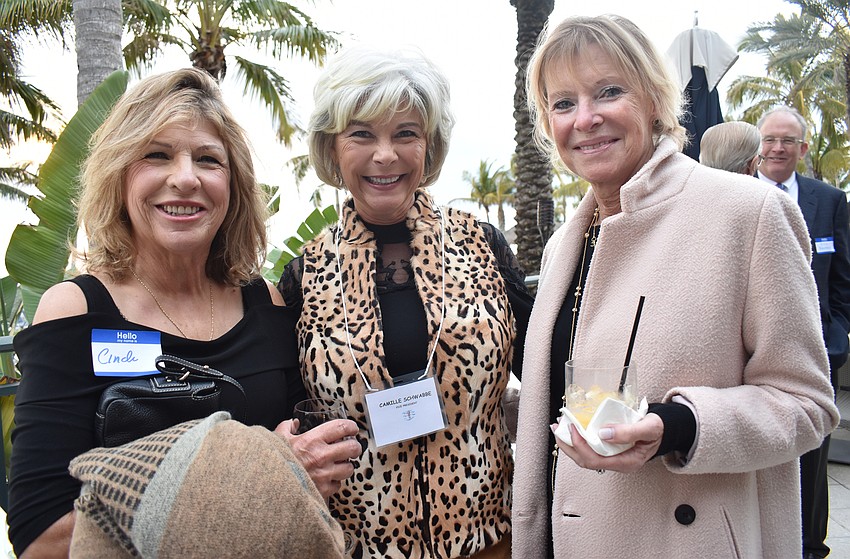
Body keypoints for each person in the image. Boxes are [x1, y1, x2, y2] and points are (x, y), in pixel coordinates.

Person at [511, 14, 839, 558]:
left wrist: (679, 426)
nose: (585, 118)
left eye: (608, 91)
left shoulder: (748, 213)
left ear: (655, 99)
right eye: (562, 103)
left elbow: (807, 404)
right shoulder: (564, 242)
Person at [7, 68, 361, 558]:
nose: (185, 178)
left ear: (232, 184)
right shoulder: (77, 310)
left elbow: (309, 457)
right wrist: (266, 476)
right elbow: (40, 536)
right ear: (119, 174)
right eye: (156, 155)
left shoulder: (266, 302)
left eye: (208, 160)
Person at [277, 46, 533, 559]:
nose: (385, 154)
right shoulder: (305, 273)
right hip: (355, 546)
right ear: (333, 147)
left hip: (487, 541)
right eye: (362, 134)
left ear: (429, 146)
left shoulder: (483, 246)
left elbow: (547, 367)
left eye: (406, 133)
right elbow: (285, 413)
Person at [756, 105, 850, 559]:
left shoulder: (828, 200)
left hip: (819, 352)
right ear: (757, 146)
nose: (777, 148)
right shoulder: (738, 197)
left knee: (813, 459)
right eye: (770, 139)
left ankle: (811, 548)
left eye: (787, 141)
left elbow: (842, 280)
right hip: (758, 353)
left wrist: (839, 339)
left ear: (803, 148)